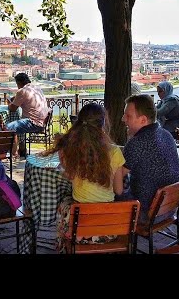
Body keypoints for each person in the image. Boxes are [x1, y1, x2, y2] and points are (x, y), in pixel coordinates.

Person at [42, 103, 126, 253]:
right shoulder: (114, 152)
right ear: (103, 124)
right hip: (108, 230)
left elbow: (69, 175)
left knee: (65, 203)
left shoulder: (69, 149)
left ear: (79, 122)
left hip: (78, 228)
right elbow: (119, 191)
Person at [121, 94, 179, 221]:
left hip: (146, 212)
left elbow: (117, 174)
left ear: (143, 120)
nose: (123, 119)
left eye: (128, 116)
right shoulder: (166, 134)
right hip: (169, 207)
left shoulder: (137, 143)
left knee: (109, 190)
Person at [6, 73, 49, 156]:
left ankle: (12, 154)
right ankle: (22, 150)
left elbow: (12, 109)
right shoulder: (36, 88)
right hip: (43, 121)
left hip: (33, 122)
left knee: (8, 128)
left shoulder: (22, 91)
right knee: (18, 123)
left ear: (18, 83)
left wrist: (9, 103)